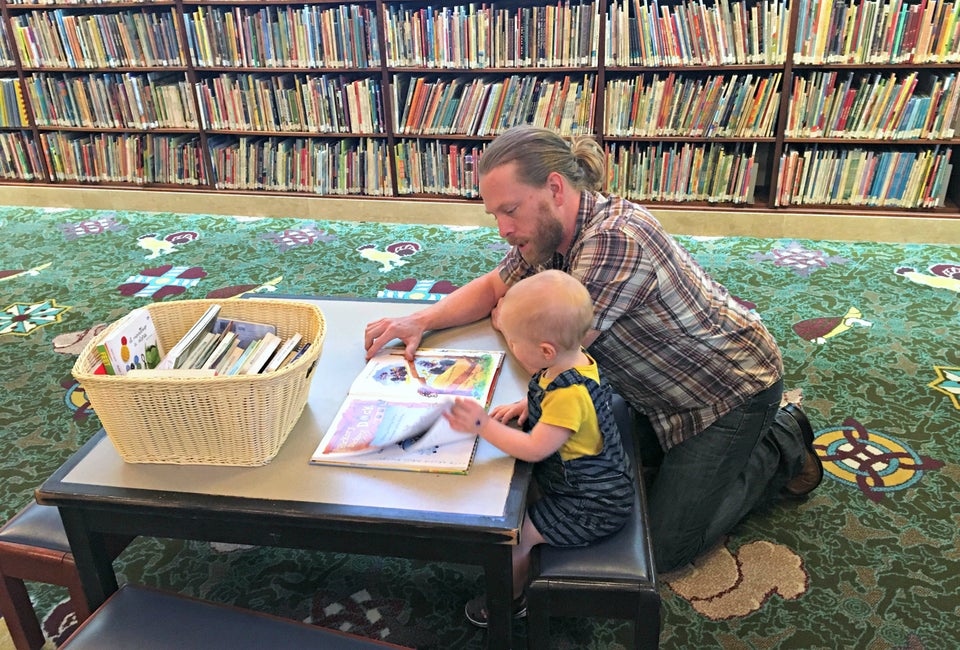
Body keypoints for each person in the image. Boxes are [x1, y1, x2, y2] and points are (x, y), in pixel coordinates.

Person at [364, 125, 823, 577]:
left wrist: (509, 316)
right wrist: (420, 319)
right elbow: (492, 288)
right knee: (592, 466)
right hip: (651, 391)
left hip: (726, 393)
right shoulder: (544, 231)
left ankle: (783, 440)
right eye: (495, 216)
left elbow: (551, 346)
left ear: (556, 189)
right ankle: (702, 452)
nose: (504, 229)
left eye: (510, 210)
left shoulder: (613, 240)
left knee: (661, 549)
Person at [443, 270, 635, 627]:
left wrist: (481, 425)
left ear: (545, 349)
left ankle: (510, 603)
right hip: (589, 483)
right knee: (516, 495)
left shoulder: (569, 395)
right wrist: (528, 405)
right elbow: (551, 398)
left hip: (593, 503)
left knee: (516, 540)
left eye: (514, 342)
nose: (511, 346)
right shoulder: (574, 362)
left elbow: (533, 449)